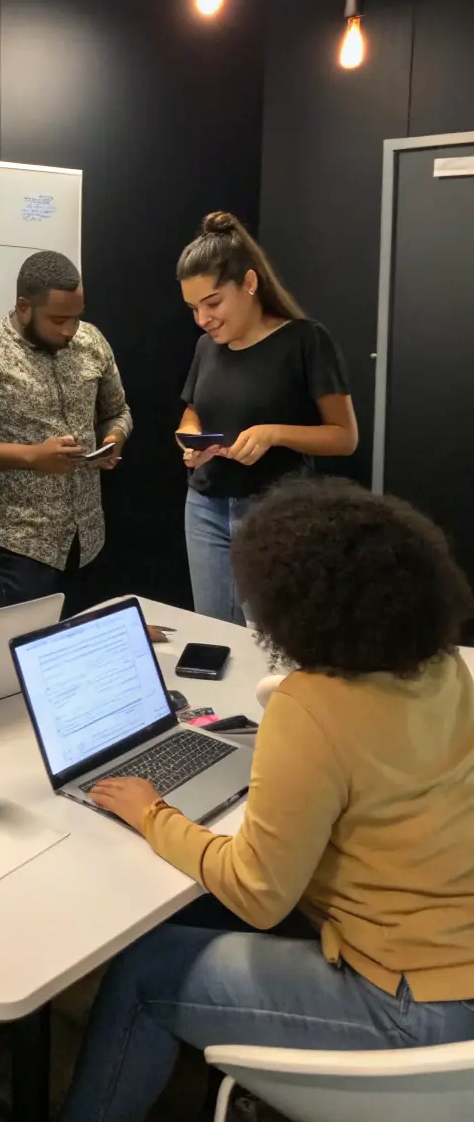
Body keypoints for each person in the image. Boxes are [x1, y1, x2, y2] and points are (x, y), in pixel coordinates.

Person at [59, 478, 474, 1122]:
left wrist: (151, 813)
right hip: (453, 961)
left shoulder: (310, 708)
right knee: (187, 920)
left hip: (411, 1006)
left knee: (142, 972)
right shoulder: (444, 666)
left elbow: (257, 893)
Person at [176, 211, 357, 624]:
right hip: (204, 506)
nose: (203, 320)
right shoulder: (207, 347)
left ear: (250, 284)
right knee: (215, 633)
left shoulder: (306, 340)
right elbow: (192, 411)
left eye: (213, 303)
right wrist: (190, 437)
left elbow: (344, 437)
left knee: (271, 639)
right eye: (193, 308)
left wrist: (274, 433)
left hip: (275, 512)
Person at [0, 250, 134, 613]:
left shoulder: (90, 342)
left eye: (76, 317)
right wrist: (32, 457)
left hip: (86, 533)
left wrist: (112, 439)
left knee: (83, 640)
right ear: (24, 307)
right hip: (19, 541)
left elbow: (118, 411)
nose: (70, 330)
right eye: (59, 319)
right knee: (31, 653)